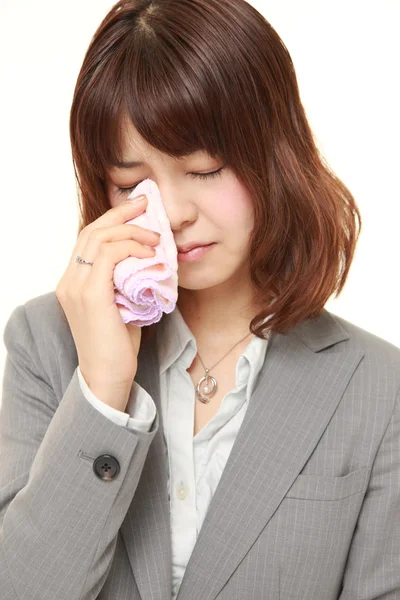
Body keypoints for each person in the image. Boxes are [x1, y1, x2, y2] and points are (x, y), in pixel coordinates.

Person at [1, 0, 399, 598]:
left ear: (274, 154)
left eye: (205, 168)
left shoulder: (379, 386)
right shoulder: (44, 341)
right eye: (132, 184)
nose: (177, 213)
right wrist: (103, 391)